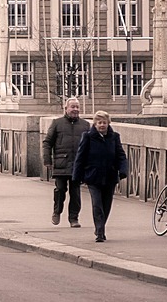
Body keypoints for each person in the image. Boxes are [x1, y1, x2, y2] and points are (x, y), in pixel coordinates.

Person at [73, 110, 129, 243]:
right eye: (99, 123)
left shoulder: (114, 137)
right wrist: (77, 176)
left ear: (108, 123)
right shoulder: (87, 137)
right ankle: (99, 231)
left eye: (104, 122)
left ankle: (101, 226)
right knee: (97, 204)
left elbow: (120, 155)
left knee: (106, 204)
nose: (102, 125)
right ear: (95, 124)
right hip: (93, 176)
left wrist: (123, 170)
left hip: (110, 176)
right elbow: (80, 158)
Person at [42, 97, 89, 227]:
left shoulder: (85, 125)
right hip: (61, 162)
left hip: (78, 164)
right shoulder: (57, 123)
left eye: (77, 107)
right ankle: (57, 211)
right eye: (72, 107)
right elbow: (47, 143)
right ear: (66, 108)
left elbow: (90, 146)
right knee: (60, 189)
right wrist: (47, 160)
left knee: (75, 193)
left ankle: (74, 219)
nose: (75, 109)